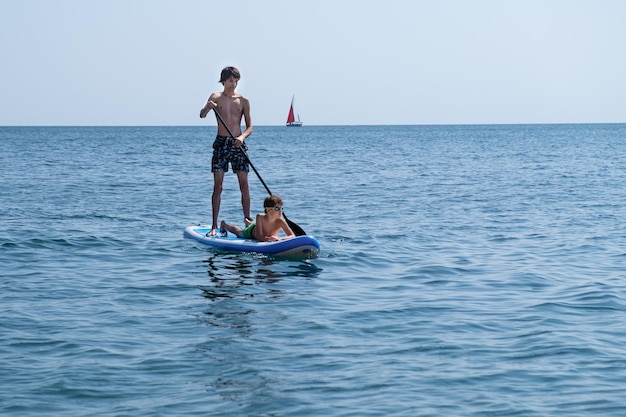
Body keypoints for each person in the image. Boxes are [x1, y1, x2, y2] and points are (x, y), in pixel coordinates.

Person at [199, 66, 253, 236]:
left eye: (236, 80)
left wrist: (242, 137)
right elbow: (201, 115)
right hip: (221, 144)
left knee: (244, 185)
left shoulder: (243, 100)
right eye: (231, 80)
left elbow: (250, 127)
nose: (234, 83)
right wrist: (208, 107)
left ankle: (247, 221)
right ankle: (214, 225)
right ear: (223, 80)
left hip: (238, 144)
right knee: (218, 186)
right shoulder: (215, 97)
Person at [219, 195, 295, 242]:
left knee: (255, 225)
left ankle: (248, 223)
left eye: (281, 209)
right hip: (251, 233)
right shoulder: (260, 217)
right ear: (268, 210)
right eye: (277, 209)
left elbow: (292, 236)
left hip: (260, 229)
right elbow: (259, 237)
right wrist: (269, 239)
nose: (281, 211)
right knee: (239, 233)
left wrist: (281, 239)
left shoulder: (281, 221)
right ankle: (225, 225)